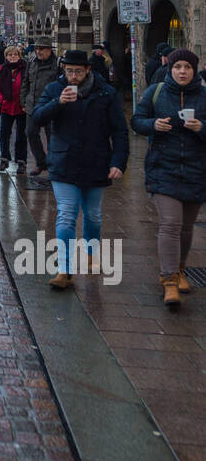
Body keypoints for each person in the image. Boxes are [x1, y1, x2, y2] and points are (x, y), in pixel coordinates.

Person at [32, 48, 129, 291]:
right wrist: (59, 103)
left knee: (93, 214)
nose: (72, 76)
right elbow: (37, 118)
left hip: (96, 161)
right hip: (64, 161)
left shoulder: (105, 92)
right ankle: (64, 269)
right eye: (68, 71)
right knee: (66, 214)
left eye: (77, 71)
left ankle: (90, 253)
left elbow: (119, 130)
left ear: (87, 70)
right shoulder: (55, 89)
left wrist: (118, 161)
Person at [131, 48, 206, 307]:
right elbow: (137, 120)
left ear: (194, 70)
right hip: (163, 167)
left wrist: (201, 129)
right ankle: (169, 281)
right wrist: (153, 125)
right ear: (170, 69)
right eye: (177, 67)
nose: (182, 71)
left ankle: (182, 269)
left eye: (187, 67)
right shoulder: (156, 92)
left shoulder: (204, 95)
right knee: (170, 224)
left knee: (186, 228)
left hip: (197, 170)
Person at [23, 37, 58, 177]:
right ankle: (41, 162)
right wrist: (23, 101)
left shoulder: (57, 65)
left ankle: (53, 166)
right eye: (36, 48)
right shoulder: (31, 63)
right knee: (30, 132)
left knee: (53, 137)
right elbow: (26, 83)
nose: (38, 51)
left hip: (51, 106)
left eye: (41, 48)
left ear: (49, 50)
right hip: (33, 105)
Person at [0, 45, 28, 175]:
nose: (13, 57)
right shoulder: (1, 69)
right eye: (10, 55)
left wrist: (26, 102)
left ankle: (21, 161)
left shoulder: (26, 68)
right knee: (4, 134)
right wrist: (1, 100)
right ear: (6, 56)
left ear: (19, 56)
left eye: (15, 54)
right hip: (7, 106)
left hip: (21, 107)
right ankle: (4, 158)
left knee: (21, 136)